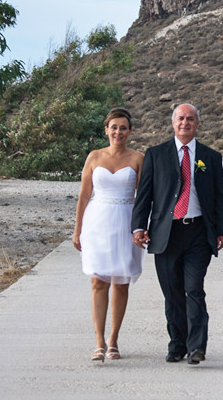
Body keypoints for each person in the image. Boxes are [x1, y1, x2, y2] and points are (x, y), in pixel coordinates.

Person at [131, 103, 223, 364]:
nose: (185, 123)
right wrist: (139, 227)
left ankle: (197, 346)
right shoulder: (155, 154)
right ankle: (177, 344)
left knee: (194, 289)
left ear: (197, 124)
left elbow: (220, 197)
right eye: (180, 119)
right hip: (166, 233)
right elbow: (145, 196)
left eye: (190, 119)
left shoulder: (211, 157)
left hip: (198, 232)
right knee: (172, 292)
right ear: (173, 123)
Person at [73, 108, 144, 362]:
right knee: (97, 281)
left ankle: (114, 340)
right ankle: (98, 341)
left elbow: (144, 198)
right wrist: (77, 229)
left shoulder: (138, 158)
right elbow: (83, 195)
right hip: (98, 223)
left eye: (123, 128)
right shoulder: (94, 157)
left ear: (130, 131)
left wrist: (142, 228)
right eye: (113, 127)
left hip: (126, 222)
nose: (118, 132)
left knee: (121, 282)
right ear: (106, 130)